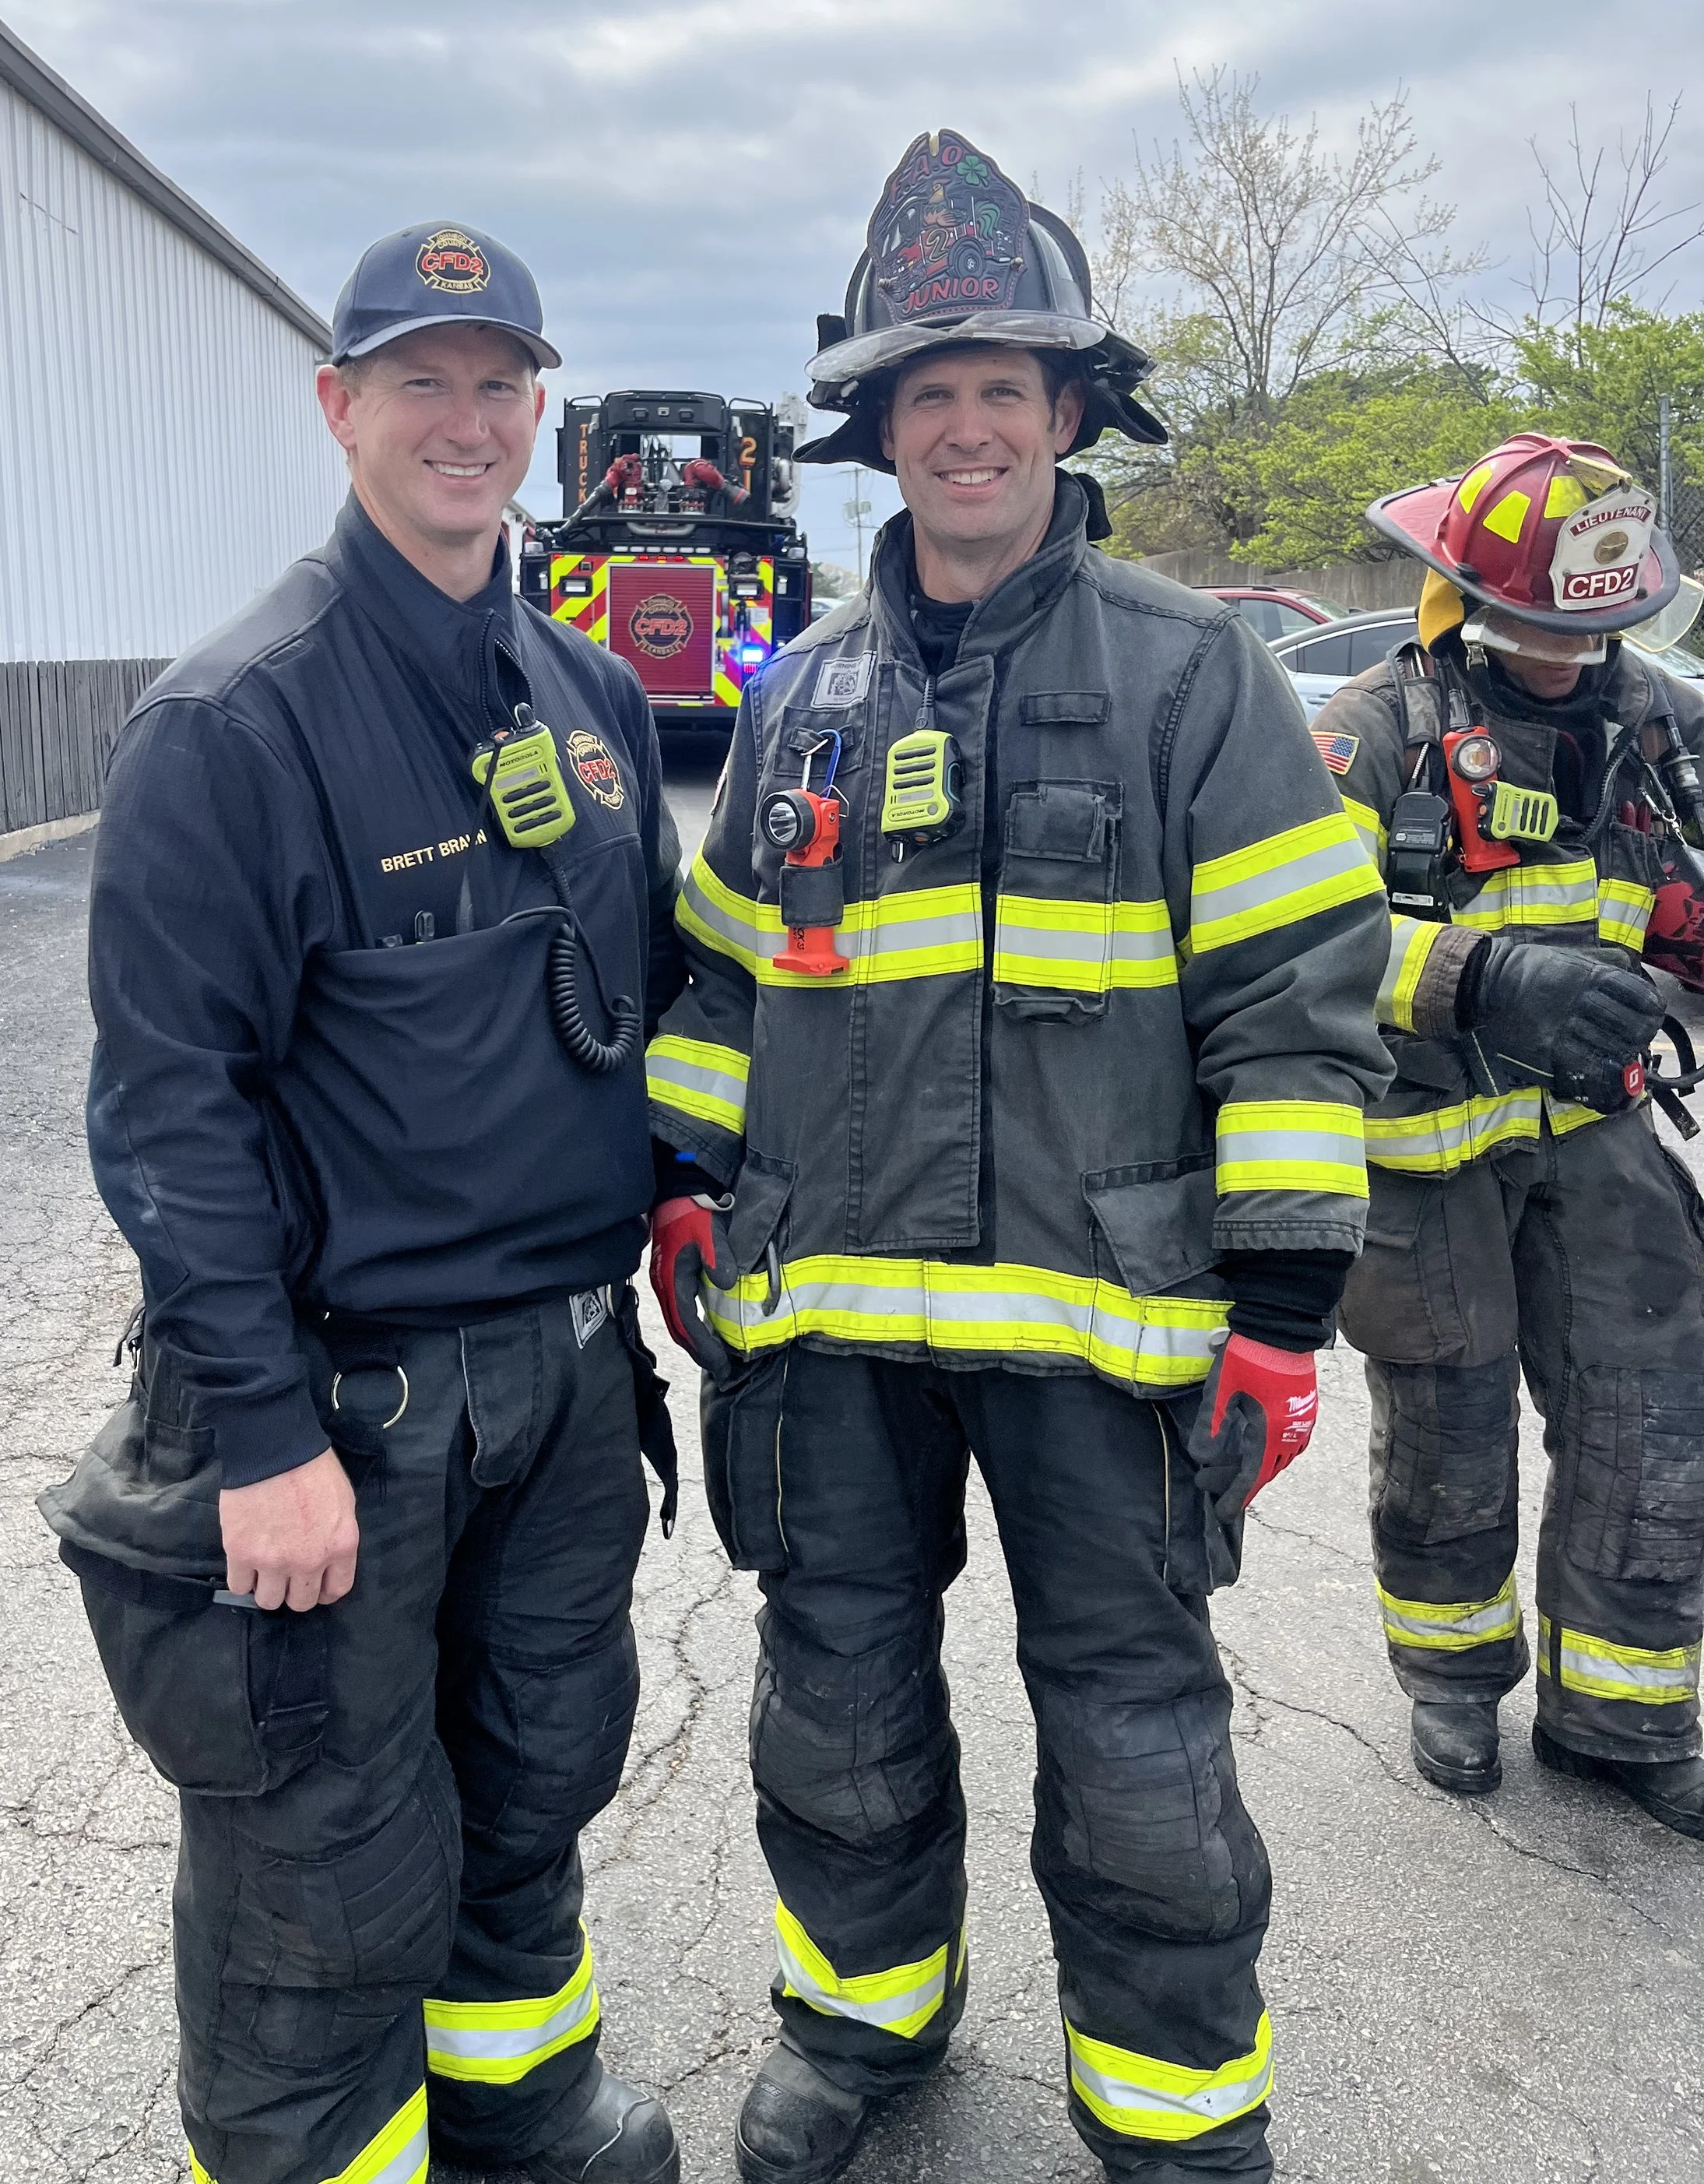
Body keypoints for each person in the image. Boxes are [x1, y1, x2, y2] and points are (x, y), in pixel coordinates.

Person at [641, 130, 1393, 2184]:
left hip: (1112, 1330)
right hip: (829, 1331)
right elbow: (719, 992)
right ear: (880, 434)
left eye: (1001, 390)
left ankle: (1171, 2112)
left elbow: (1297, 1003)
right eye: (925, 394)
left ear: (1069, 418)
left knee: (1137, 1749)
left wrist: (1283, 1309)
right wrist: (689, 1185)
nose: (964, 427)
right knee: (836, 1710)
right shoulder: (792, 696)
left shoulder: (1194, 676)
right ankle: (861, 2021)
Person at [42, 220, 687, 2184]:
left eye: (500, 383)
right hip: (349, 1411)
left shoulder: (582, 692)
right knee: (318, 1840)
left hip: (566, 1390)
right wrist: (257, 1438)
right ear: (340, 408)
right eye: (421, 380)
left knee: (532, 1771)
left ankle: (516, 2102)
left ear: (539, 413)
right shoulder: (233, 724)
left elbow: (639, 1010)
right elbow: (167, 1112)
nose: (465, 421)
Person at [1307, 435, 1704, 1833]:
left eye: (1591, 624)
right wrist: (1480, 977)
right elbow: (1294, 935)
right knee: (1449, 1419)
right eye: (1537, 619)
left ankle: (1624, 1709)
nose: (1562, 650)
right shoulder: (1372, 729)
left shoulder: (1660, 719)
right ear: (1470, 592)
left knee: (1654, 1406)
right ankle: (1455, 1676)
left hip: (1598, 1126)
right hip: (1428, 1144)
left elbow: (1681, 896)